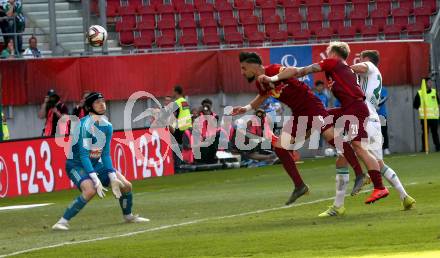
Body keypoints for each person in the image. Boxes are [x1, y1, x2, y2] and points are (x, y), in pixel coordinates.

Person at [261, 42, 389, 204]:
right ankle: (293, 146)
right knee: (319, 118)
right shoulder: (341, 69)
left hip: (355, 109)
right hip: (349, 108)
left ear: (333, 53)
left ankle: (378, 186)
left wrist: (278, 76)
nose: (327, 56)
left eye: (328, 53)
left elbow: (305, 70)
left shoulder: (333, 63)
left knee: (359, 148)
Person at [233, 52, 368, 205]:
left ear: (253, 65)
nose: (243, 73)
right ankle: (299, 186)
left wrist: (273, 78)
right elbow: (263, 96)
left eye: (244, 68)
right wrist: (245, 108)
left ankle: (360, 174)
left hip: (311, 106)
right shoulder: (260, 83)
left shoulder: (273, 70)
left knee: (332, 137)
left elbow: (292, 71)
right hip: (298, 114)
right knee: (280, 147)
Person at [319, 50, 415, 217]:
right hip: (373, 120)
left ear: (367, 59)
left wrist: (341, 67)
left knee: (342, 158)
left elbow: (359, 67)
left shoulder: (369, 66)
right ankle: (404, 196)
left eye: (361, 58)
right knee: (379, 163)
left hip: (362, 116)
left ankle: (338, 206)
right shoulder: (372, 78)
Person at [52, 92, 149, 230]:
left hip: (96, 164)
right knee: (90, 190)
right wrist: (96, 180)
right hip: (76, 164)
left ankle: (128, 216)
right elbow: (84, 155)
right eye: (97, 102)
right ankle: (62, 222)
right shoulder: (84, 125)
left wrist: (112, 176)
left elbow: (105, 154)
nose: (102, 104)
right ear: (89, 106)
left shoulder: (107, 126)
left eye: (103, 101)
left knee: (126, 186)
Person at [413, 77, 440, 152]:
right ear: (424, 84)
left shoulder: (434, 92)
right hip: (424, 118)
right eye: (429, 82)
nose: (431, 83)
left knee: (435, 133)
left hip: (434, 117)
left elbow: (438, 103)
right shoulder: (420, 93)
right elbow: (415, 105)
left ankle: (438, 147)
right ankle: (424, 148)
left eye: (431, 82)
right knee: (425, 133)